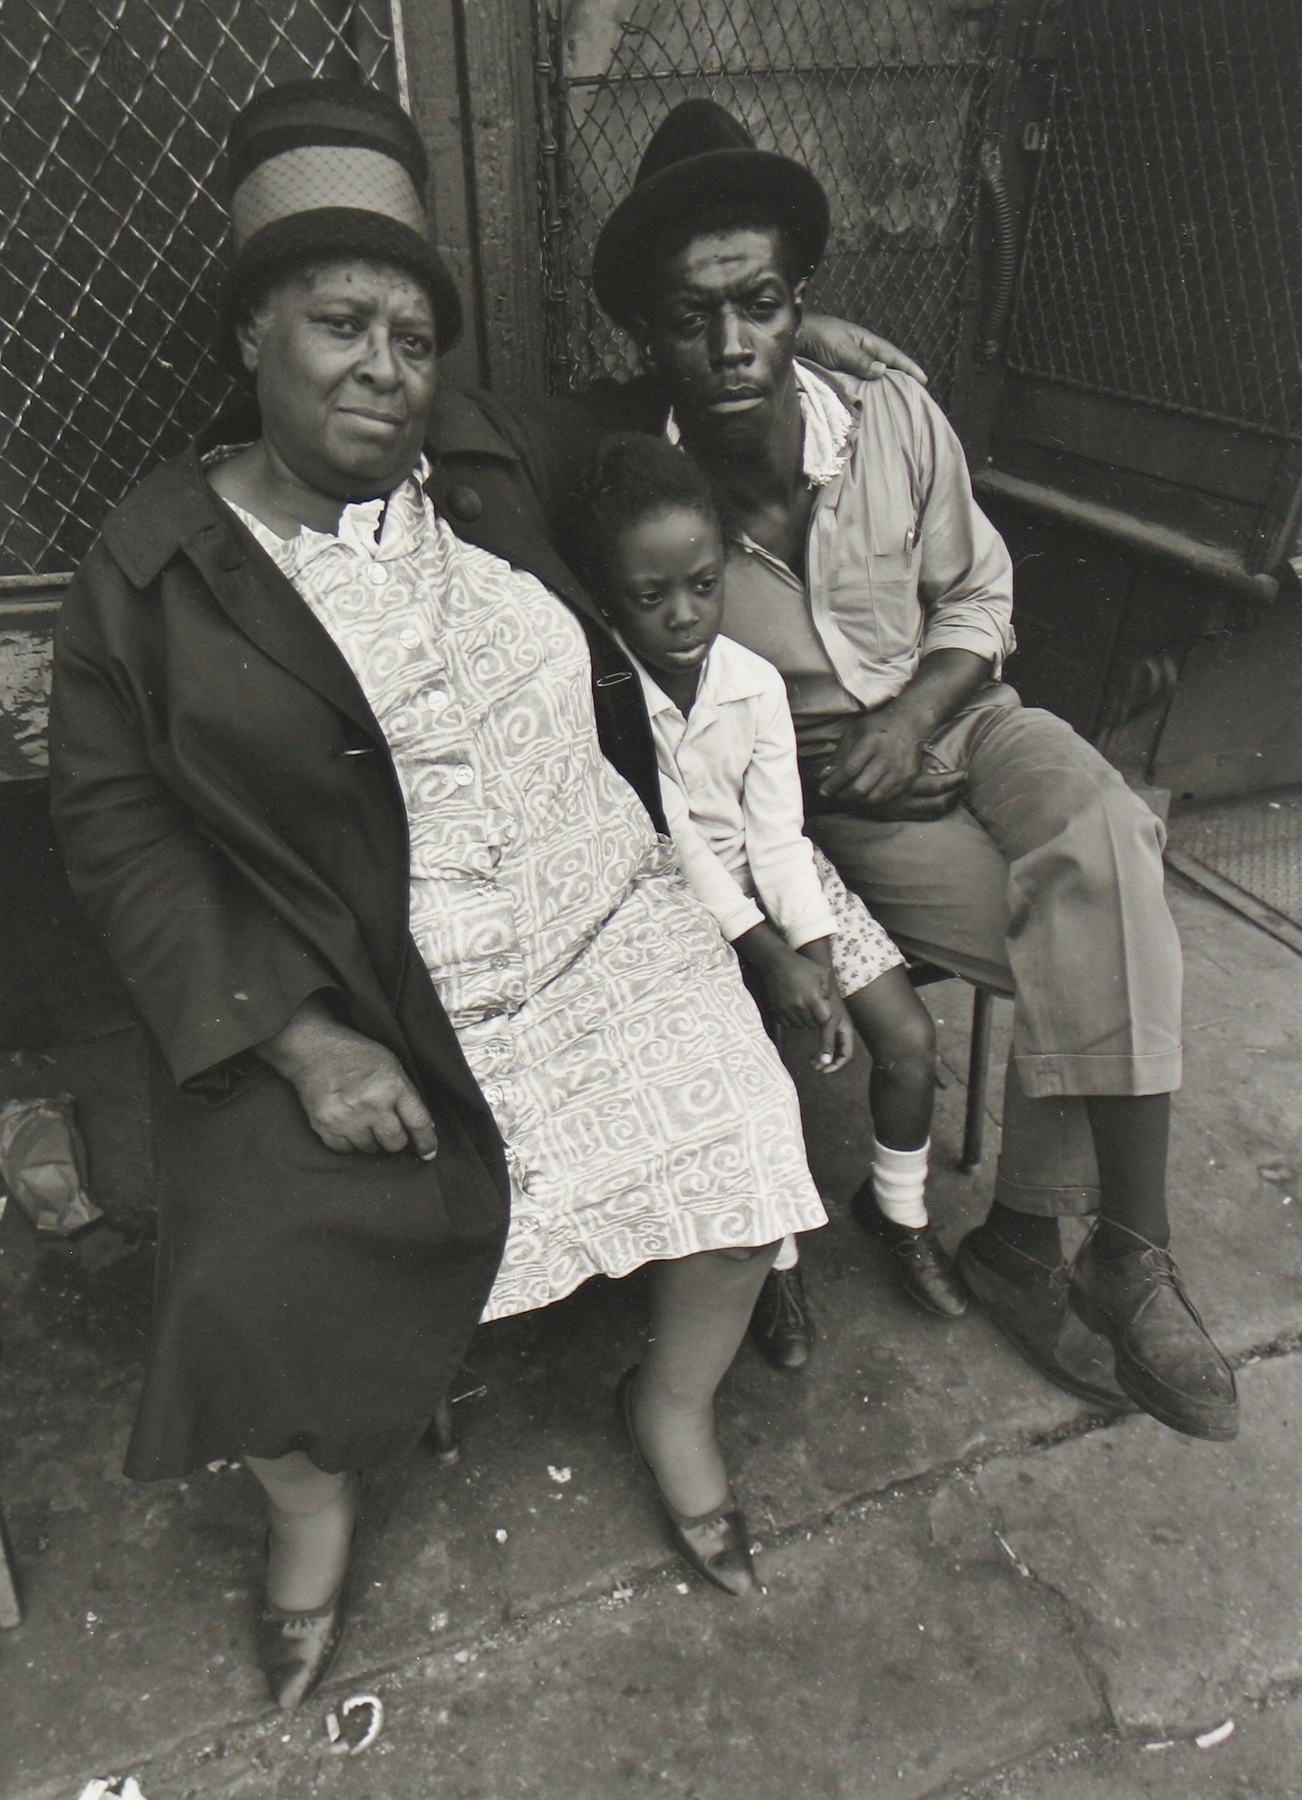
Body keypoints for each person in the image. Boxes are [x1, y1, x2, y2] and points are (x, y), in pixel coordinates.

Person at [48, 82, 838, 1709]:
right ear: (252, 330)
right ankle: (313, 1514)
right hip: (337, 983)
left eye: (412, 330)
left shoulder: (489, 451)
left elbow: (686, 430)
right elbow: (121, 830)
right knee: (242, 1281)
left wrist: (848, 374)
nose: (382, 365)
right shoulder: (151, 565)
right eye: (338, 321)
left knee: (744, 1125)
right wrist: (290, 1041)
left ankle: (668, 1407)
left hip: (588, 919)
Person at [584, 98, 1239, 1443]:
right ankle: (1028, 1246)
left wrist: (923, 705)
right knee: (1090, 926)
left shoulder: (891, 417)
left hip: (973, 723)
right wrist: (855, 754)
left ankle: (1122, 1245)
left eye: (759, 303)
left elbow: (980, 597)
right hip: (842, 807)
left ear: (799, 300)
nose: (729, 343)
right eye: (692, 315)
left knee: (1106, 832)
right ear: (647, 332)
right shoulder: (638, 489)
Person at [567, 433, 968, 1365]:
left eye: (704, 586)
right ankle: (775, 1260)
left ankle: (898, 1210)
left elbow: (780, 837)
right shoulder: (610, 697)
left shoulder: (752, 684)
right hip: (674, 901)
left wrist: (818, 953)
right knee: (762, 1072)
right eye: (651, 596)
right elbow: (682, 849)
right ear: (606, 595)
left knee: (906, 1038)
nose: (683, 615)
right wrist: (778, 963)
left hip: (784, 889)